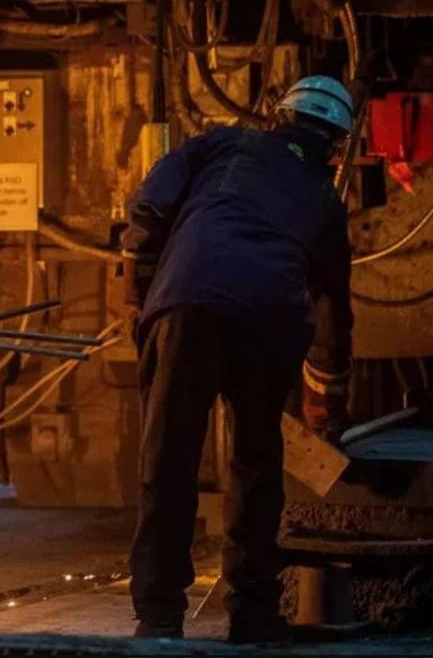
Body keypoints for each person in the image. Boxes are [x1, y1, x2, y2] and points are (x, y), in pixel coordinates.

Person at [121, 75, 355, 642]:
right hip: (267, 321)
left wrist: (139, 290)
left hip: (187, 305)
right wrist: (326, 393)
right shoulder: (325, 201)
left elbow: (150, 206)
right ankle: (252, 614)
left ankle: (159, 617)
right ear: (336, 146)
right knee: (255, 463)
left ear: (278, 115)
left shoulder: (223, 143)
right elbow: (333, 310)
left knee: (168, 461)